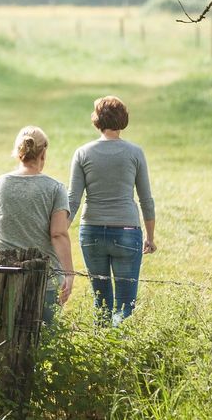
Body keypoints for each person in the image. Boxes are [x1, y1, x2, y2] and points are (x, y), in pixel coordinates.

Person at [68, 95, 156, 326]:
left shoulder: (82, 153)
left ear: (97, 121)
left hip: (91, 231)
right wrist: (150, 236)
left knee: (101, 302)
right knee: (126, 304)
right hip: (127, 230)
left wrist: (59, 231)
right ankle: (120, 349)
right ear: (123, 120)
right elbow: (146, 198)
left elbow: (73, 199)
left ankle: (101, 351)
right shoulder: (135, 153)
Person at [0, 126, 75, 325]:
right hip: (43, 282)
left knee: (2, 337)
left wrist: (1, 257)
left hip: (2, 277)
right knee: (44, 340)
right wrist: (69, 273)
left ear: (18, 152)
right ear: (43, 153)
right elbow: (58, 234)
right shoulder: (55, 188)